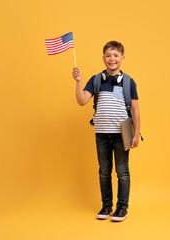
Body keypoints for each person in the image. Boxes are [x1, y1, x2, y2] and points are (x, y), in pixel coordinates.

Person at [72, 41, 140, 222]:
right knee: (104, 170)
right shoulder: (96, 80)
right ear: (103, 58)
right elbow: (81, 100)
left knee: (122, 170)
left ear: (122, 58)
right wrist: (78, 82)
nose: (112, 59)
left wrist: (136, 133)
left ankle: (122, 208)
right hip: (101, 133)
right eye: (108, 55)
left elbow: (135, 110)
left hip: (122, 133)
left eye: (116, 55)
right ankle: (106, 205)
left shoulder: (128, 82)